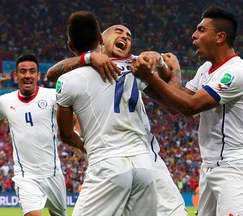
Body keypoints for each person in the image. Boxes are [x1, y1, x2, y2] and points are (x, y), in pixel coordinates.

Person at [47, 24, 187, 216]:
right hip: (132, 162)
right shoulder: (89, 67)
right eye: (119, 32)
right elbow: (52, 74)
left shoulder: (136, 65)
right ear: (101, 40)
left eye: (129, 36)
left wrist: (161, 62)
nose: (125, 37)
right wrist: (89, 56)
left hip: (144, 159)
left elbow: (173, 102)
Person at [132, 6, 243, 216]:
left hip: (234, 168)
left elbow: (190, 106)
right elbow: (175, 103)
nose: (194, 35)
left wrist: (151, 77)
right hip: (209, 167)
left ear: (220, 37)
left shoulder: (235, 72)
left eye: (201, 30)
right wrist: (145, 81)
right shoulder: (206, 70)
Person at [56, 10, 157, 216]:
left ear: (70, 46)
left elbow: (65, 134)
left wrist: (85, 148)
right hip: (144, 165)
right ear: (101, 39)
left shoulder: (67, 80)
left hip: (107, 163)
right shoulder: (133, 67)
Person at [0, 53, 67, 216]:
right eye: (23, 71)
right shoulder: (5, 101)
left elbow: (73, 119)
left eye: (32, 71)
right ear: (16, 75)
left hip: (53, 173)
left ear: (38, 75)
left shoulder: (52, 96)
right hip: (25, 175)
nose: (27, 75)